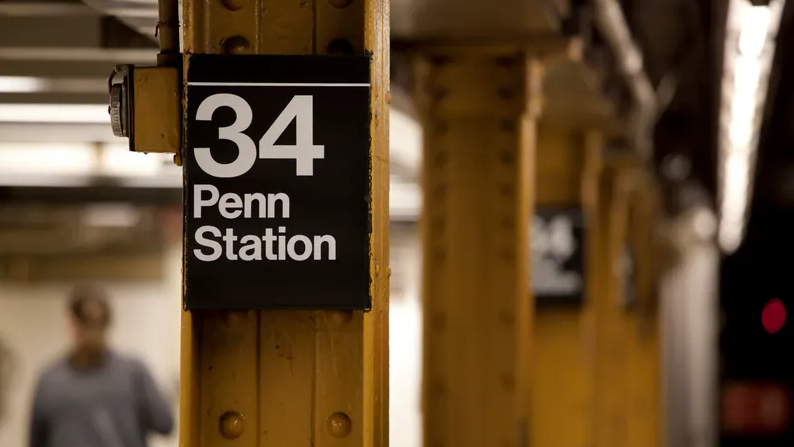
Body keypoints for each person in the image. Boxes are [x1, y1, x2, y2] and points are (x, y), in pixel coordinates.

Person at [28, 284, 174, 447]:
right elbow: (165, 424)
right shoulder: (134, 373)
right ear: (109, 323)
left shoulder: (50, 380)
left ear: (71, 323)